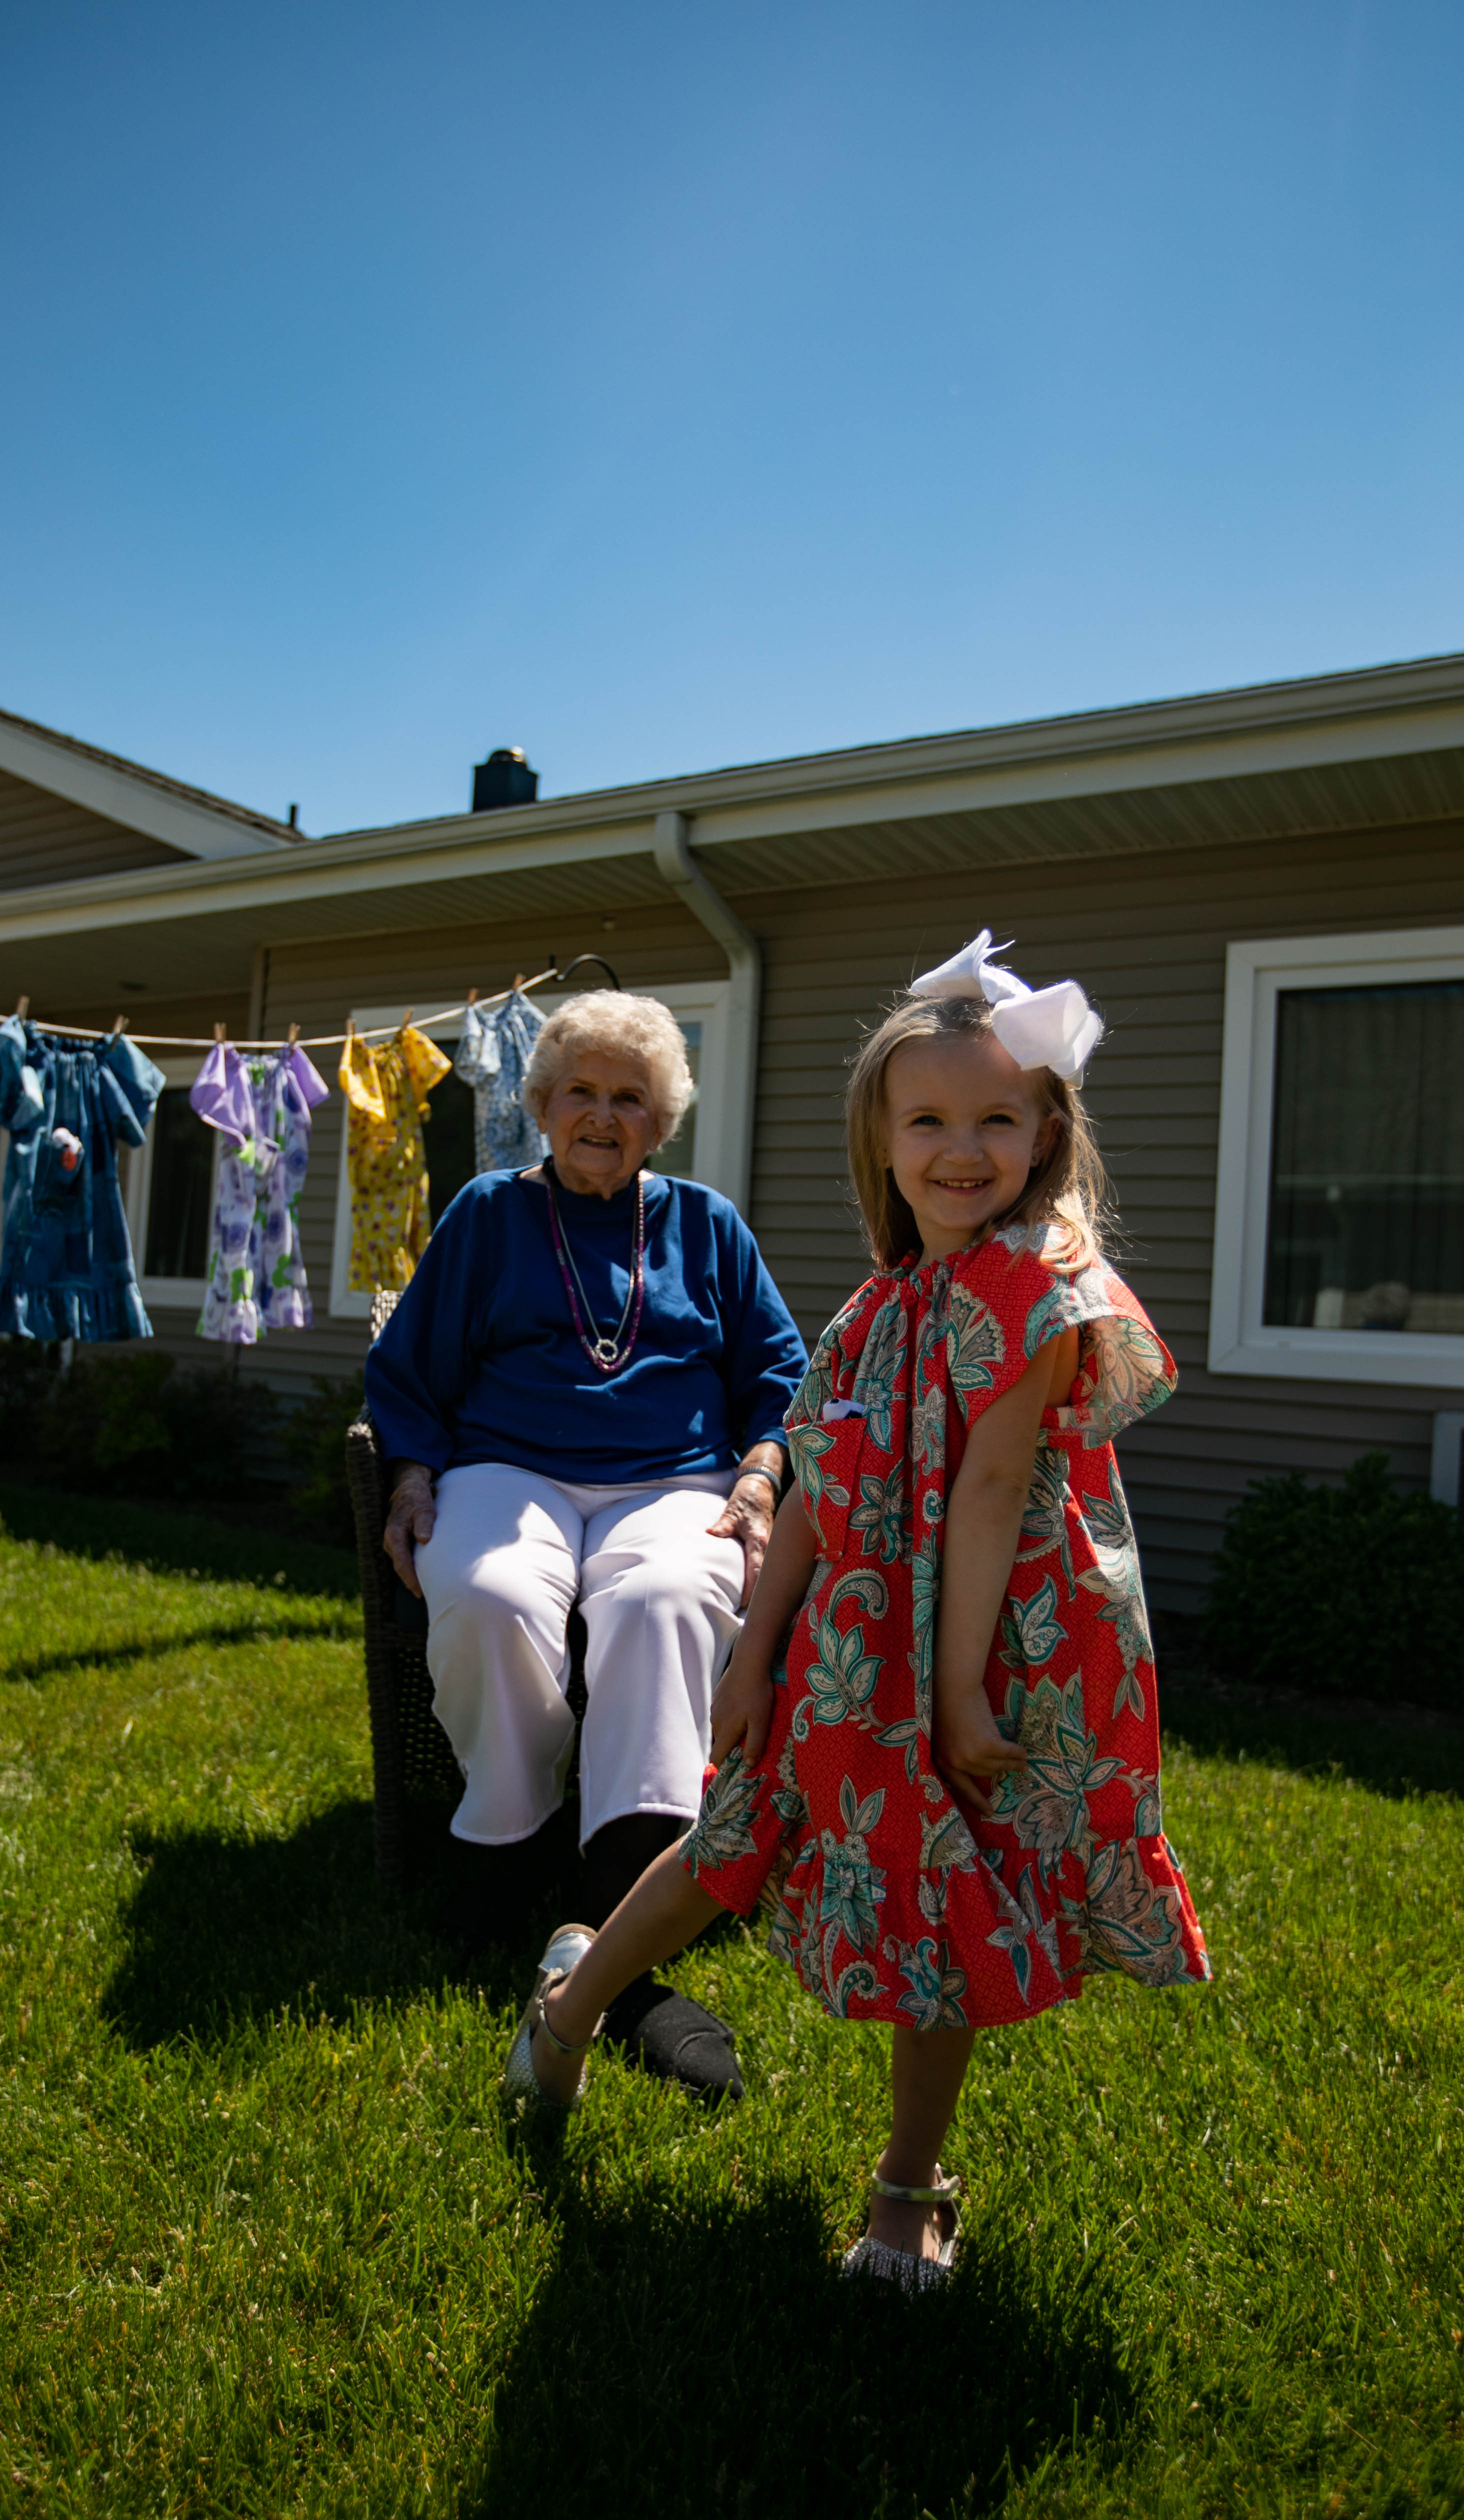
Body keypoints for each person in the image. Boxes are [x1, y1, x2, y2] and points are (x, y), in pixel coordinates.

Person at [501, 934, 1211, 2291]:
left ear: (1048, 1130)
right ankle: (572, 2008)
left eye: (996, 1118)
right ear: (880, 1141)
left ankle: (905, 2185)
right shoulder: (878, 1308)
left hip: (995, 1646)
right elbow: (821, 1492)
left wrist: (956, 1693)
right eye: (928, 1119)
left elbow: (997, 1488)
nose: (961, 1149)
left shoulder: (1043, 1286)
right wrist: (755, 1651)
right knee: (737, 1834)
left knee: (949, 1896)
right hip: (850, 1646)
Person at [365, 988, 808, 2094]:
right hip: (508, 1465)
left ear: (661, 1122)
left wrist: (760, 1479)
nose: (603, 1117)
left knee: (668, 1598)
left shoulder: (707, 1223)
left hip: (676, 1477)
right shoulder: (487, 1212)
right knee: (488, 1590)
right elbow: (411, 1367)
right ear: (541, 1106)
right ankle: (519, 1865)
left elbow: (784, 1378)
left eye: (630, 1098)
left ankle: (614, 1910)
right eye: (581, 1093)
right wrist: (413, 1475)